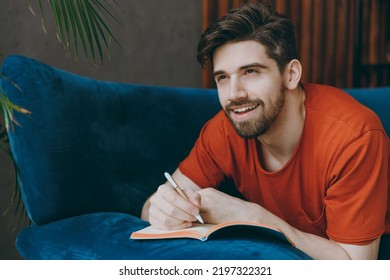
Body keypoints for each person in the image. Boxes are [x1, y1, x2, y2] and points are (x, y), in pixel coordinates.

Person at [141, 2, 389, 259]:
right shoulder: (225, 128)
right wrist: (161, 208)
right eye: (223, 78)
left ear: (291, 74)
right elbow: (150, 208)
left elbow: (357, 267)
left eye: (250, 72)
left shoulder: (354, 137)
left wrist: (254, 217)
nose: (234, 94)